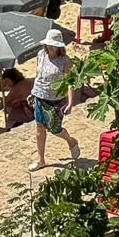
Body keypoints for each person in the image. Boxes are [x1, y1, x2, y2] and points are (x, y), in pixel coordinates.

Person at [30, 28, 80, 171]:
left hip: (56, 99)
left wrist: (70, 103)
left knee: (55, 129)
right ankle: (41, 160)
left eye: (53, 45)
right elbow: (38, 74)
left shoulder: (65, 61)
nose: (50, 47)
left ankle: (71, 141)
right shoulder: (41, 55)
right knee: (39, 127)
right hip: (39, 95)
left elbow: (70, 82)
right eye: (49, 44)